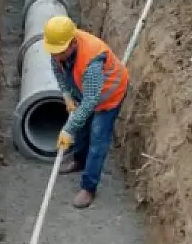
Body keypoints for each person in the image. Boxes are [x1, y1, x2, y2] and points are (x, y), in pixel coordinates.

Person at [43, 15, 130, 209]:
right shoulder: (59, 47)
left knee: (98, 138)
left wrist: (67, 129)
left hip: (109, 96)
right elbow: (57, 69)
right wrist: (66, 93)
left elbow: (91, 101)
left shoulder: (92, 60)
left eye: (60, 52)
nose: (56, 56)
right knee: (81, 130)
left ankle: (89, 187)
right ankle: (78, 161)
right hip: (85, 90)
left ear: (72, 44)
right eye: (54, 52)